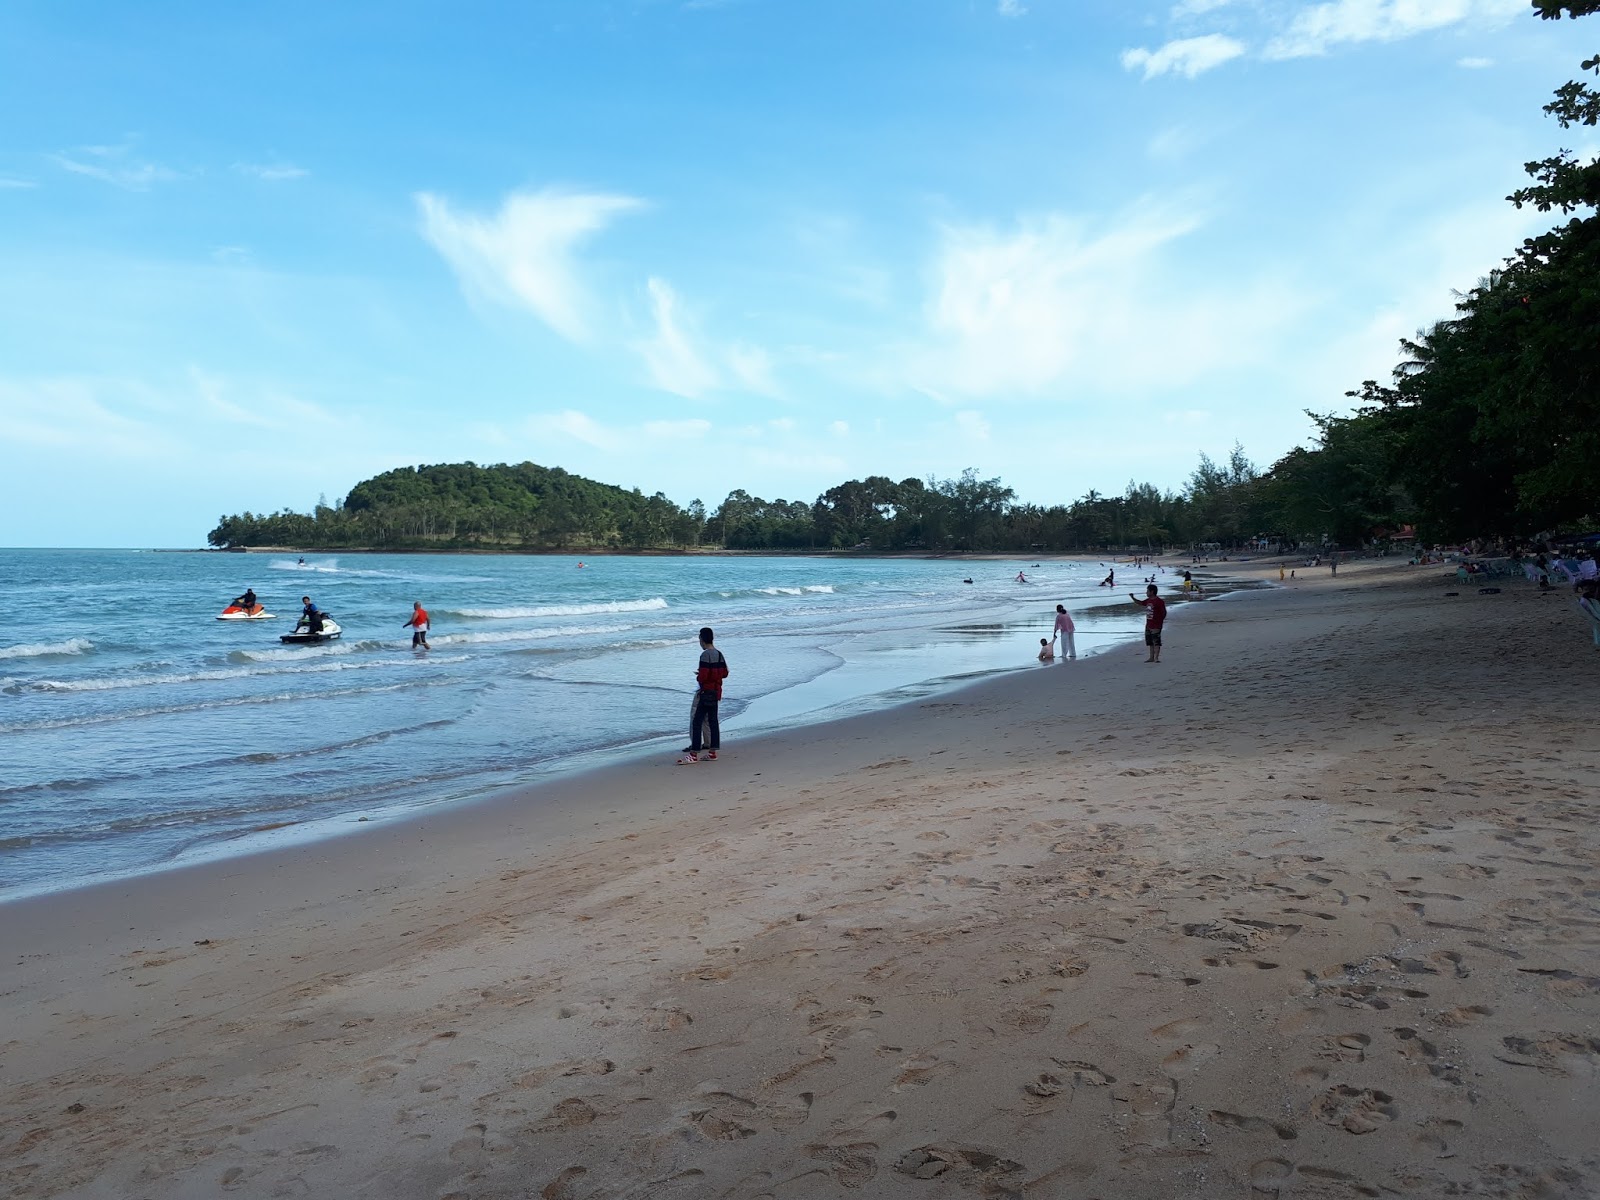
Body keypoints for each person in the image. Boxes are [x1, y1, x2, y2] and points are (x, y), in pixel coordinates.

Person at [679, 627, 730, 764]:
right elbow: (725, 673)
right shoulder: (719, 654)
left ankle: (694, 754)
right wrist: (714, 675)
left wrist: (699, 677)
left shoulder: (705, 655)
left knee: (697, 722)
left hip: (705, 692)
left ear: (702, 639)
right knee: (713, 722)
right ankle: (712, 752)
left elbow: (703, 677)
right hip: (716, 692)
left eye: (699, 639)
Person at [1130, 583, 1167, 664]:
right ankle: (1151, 657)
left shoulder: (1159, 601)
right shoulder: (1148, 600)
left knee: (1156, 642)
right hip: (1148, 624)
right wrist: (1132, 597)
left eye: (1147, 591)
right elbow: (1140, 603)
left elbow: (1164, 612)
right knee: (1150, 642)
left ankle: (1156, 658)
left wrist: (1160, 622)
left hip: (1156, 625)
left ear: (1152, 591)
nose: (1146, 592)